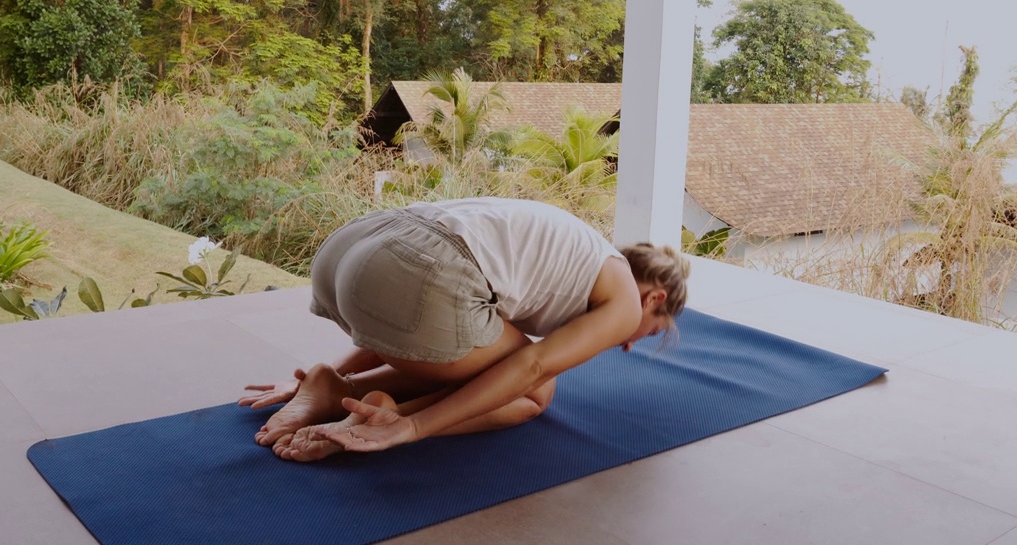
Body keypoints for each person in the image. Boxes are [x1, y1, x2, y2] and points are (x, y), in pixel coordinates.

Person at [239, 197, 690, 462]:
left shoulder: (576, 254)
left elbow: (408, 330)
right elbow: (532, 367)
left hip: (353, 246)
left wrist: (341, 370)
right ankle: (378, 412)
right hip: (420, 270)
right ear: (654, 300)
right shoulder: (627, 304)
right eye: (648, 332)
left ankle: (335, 387)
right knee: (535, 392)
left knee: (484, 351)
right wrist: (411, 428)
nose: (628, 343)